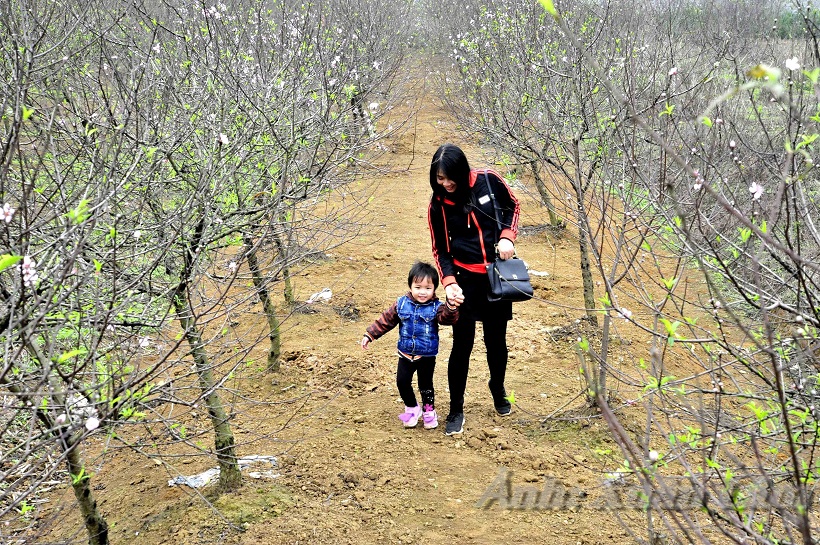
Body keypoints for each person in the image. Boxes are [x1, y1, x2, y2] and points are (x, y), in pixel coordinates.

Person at [427, 143, 520, 436]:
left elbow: (512, 206)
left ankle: (497, 385)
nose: (445, 183)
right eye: (439, 179)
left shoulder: (489, 180)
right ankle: (456, 408)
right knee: (461, 346)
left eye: (449, 177)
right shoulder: (438, 204)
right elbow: (440, 249)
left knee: (496, 342)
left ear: (462, 169)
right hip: (464, 282)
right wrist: (449, 283)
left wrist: (507, 235)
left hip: (497, 276)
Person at [361, 261, 460, 429]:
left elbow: (448, 319)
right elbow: (386, 320)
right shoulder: (401, 304)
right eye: (418, 287)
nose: (422, 292)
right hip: (405, 354)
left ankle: (429, 412)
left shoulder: (437, 307)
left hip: (426, 356)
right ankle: (412, 409)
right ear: (410, 286)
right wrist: (370, 334)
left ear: (434, 289)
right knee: (402, 382)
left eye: (428, 288)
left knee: (426, 387)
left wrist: (451, 306)